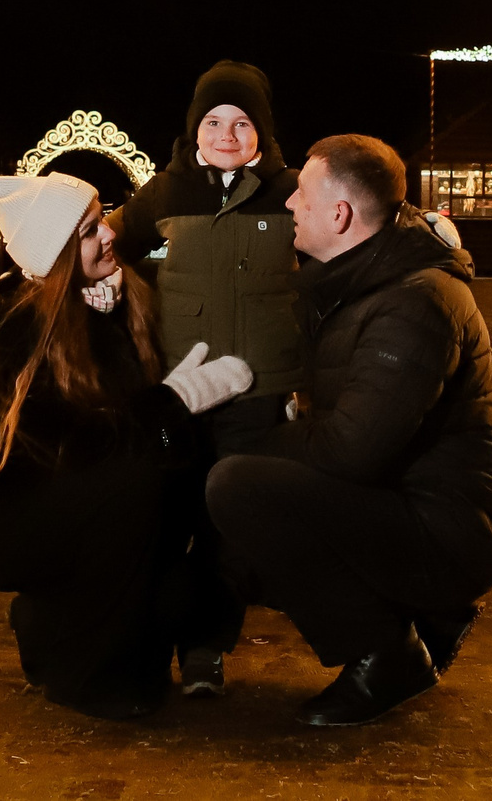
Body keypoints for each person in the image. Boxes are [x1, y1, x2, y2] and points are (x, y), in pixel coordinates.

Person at [207, 133, 492, 727]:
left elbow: (352, 450)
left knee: (239, 486)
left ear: (340, 214)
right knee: (240, 523)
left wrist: (248, 446)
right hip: (411, 507)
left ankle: (385, 654)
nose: (290, 206)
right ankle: (422, 623)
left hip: (451, 531)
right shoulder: (355, 285)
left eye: (301, 194)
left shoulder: (416, 302)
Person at [0, 171, 255, 721]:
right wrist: (170, 405)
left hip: (122, 517)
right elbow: (71, 445)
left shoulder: (133, 298)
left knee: (184, 566)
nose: (109, 234)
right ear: (59, 253)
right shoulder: (14, 328)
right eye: (89, 231)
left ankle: (71, 631)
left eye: (104, 217)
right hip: (33, 511)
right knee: (131, 480)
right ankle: (77, 659)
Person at [106, 59, 306, 694]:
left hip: (258, 389)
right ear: (194, 129)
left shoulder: (291, 191)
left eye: (242, 122)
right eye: (214, 121)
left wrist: (430, 231)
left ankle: (205, 649)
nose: (227, 134)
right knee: (168, 511)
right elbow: (105, 244)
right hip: (181, 389)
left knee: (229, 524)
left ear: (263, 133)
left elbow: (361, 224)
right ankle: (147, 638)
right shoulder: (166, 192)